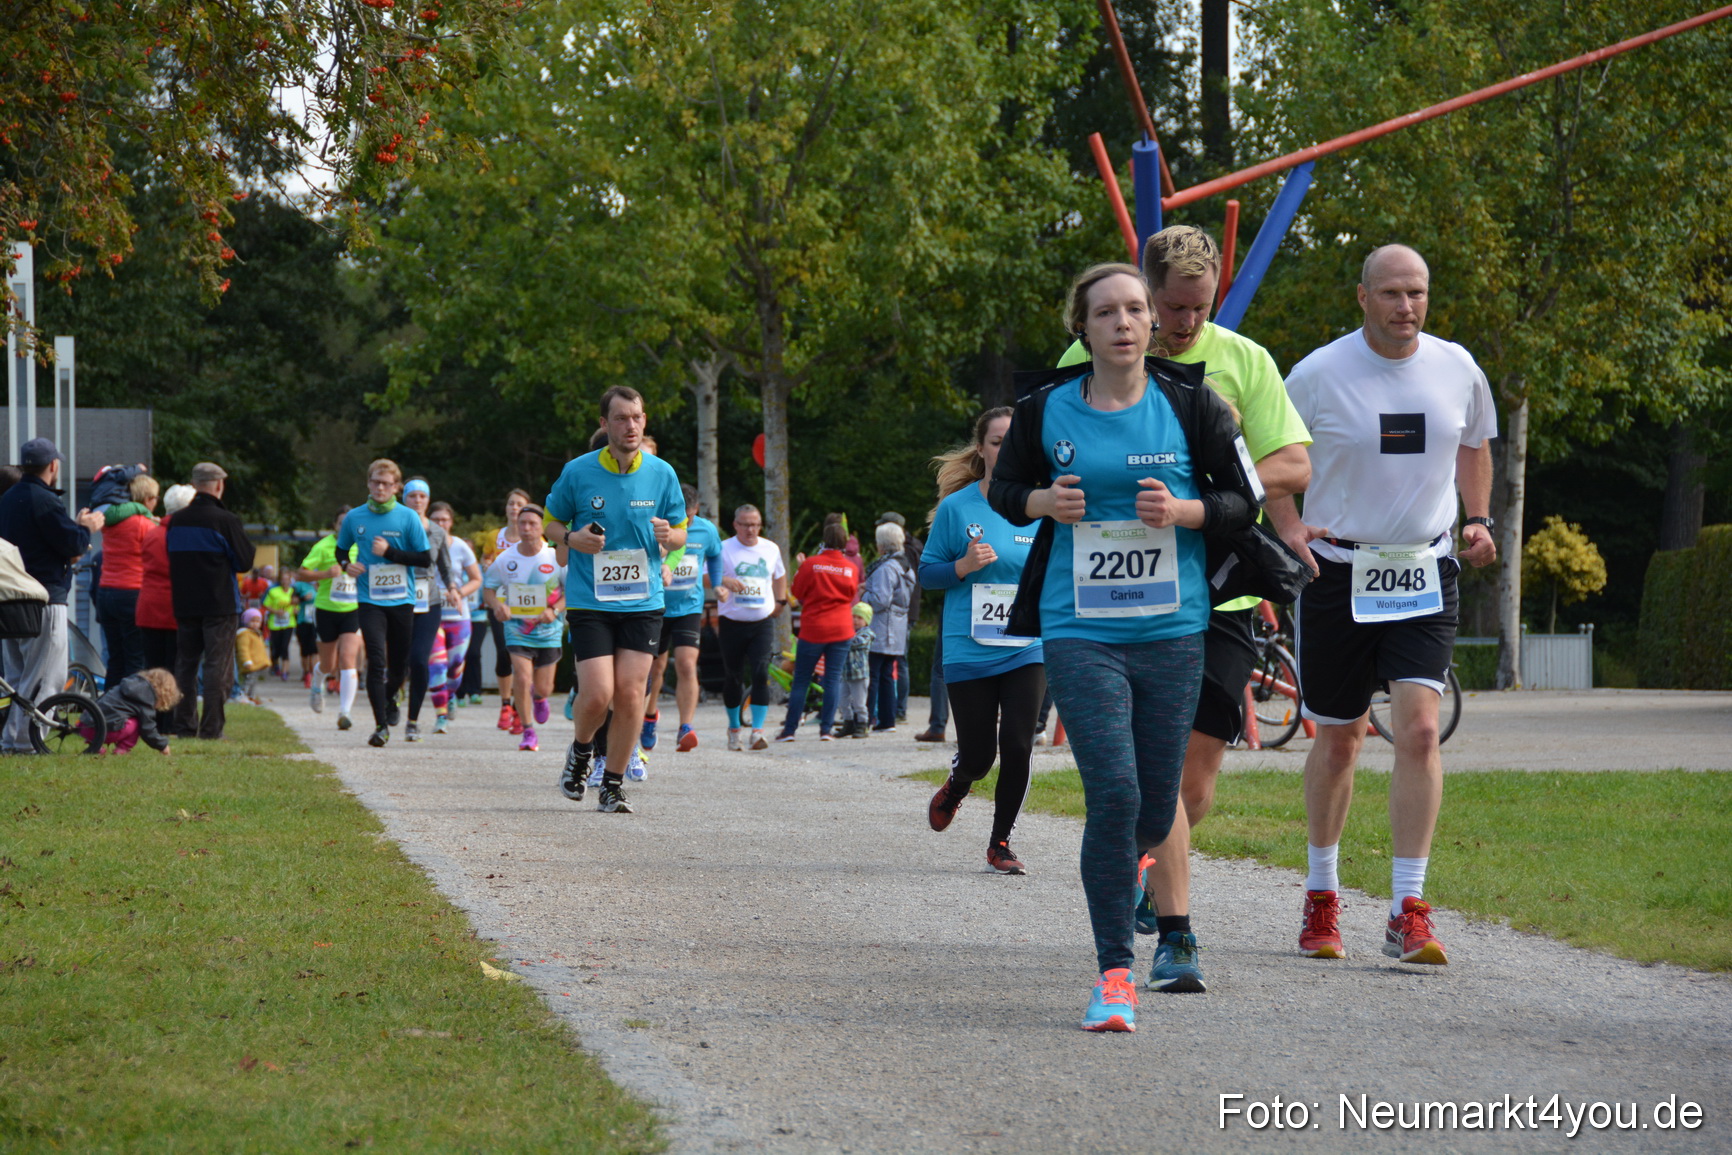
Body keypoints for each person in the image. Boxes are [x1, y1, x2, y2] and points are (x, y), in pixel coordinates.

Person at [988, 263, 1262, 1032]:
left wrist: (1185, 510)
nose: (1123, 322)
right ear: (1082, 327)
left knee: (1150, 800)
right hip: (1080, 627)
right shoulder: (1044, 409)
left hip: (1172, 631)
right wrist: (1042, 499)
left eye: (1136, 309)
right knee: (1112, 792)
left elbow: (1247, 499)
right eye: (1106, 311)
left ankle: (1129, 862)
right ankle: (1114, 974)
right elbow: (1003, 491)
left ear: (1152, 322)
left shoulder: (1193, 403)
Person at [1058, 224, 1313, 994]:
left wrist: (1207, 479)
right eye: (1173, 306)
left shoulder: (1243, 361)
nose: (1186, 322)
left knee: (1192, 786)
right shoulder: (1087, 357)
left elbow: (1293, 461)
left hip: (1221, 583)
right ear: (1146, 292)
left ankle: (1147, 862)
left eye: (1201, 307)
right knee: (1150, 776)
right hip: (1115, 593)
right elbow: (1046, 449)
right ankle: (1177, 931)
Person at [1270, 244, 1497, 967]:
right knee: (1341, 739)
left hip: (1425, 570)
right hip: (1338, 573)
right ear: (1363, 296)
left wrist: (1479, 518)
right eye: (1393, 292)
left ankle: (1408, 908)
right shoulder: (1317, 373)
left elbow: (1474, 444)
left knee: (1421, 732)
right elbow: (1269, 462)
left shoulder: (1457, 367)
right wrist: (1289, 527)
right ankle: (1321, 895)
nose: (1407, 306)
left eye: (1418, 292)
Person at [545, 386, 686, 813]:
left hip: (643, 601)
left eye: (637, 417)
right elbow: (552, 523)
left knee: (630, 694)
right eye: (622, 418)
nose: (631, 426)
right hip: (590, 601)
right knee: (597, 695)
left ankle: (612, 783)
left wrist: (670, 536)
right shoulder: (578, 471)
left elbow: (681, 532)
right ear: (604, 424)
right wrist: (572, 538)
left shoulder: (662, 473)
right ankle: (581, 751)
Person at [921, 408, 1045, 874]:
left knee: (1018, 742)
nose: (1007, 449)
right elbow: (927, 574)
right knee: (979, 755)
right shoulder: (958, 508)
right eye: (997, 441)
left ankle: (1001, 843)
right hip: (969, 647)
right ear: (982, 449)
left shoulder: (1042, 506)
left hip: (1027, 645)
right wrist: (963, 566)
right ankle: (958, 783)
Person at [0, 438, 104, 752]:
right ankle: (26, 743)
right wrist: (85, 527)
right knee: (46, 676)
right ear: (53, 465)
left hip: (9, 596)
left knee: (17, 677)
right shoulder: (44, 500)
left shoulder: (7, 498)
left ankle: (10, 738)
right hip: (44, 597)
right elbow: (71, 544)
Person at [336, 459, 432, 747]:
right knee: (376, 661)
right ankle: (380, 727)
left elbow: (424, 559)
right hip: (369, 600)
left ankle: (392, 697)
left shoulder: (408, 517)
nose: (380, 488)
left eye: (386, 484)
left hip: (402, 600)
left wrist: (390, 552)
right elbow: (341, 551)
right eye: (376, 482)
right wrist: (347, 565)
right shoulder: (354, 517)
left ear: (396, 487)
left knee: (399, 665)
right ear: (368, 483)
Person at [166, 462, 256, 741]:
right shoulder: (226, 520)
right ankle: (212, 729)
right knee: (217, 666)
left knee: (186, 665)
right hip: (220, 603)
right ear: (218, 485)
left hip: (185, 602)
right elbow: (244, 562)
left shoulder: (177, 520)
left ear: (194, 485)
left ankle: (184, 726)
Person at [482, 503, 564, 752]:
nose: (526, 528)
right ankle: (528, 731)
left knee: (544, 687)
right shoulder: (506, 559)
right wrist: (498, 605)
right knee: (522, 675)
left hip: (548, 630)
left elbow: (571, 590)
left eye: (532, 524)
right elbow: (488, 589)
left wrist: (555, 610)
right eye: (522, 523)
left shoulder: (555, 557)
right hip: (517, 628)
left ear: (542, 528)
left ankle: (540, 697)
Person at [774, 518, 858, 742]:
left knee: (801, 679)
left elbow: (797, 592)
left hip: (814, 628)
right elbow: (851, 595)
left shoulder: (811, 564)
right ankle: (826, 730)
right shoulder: (850, 568)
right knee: (832, 679)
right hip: (841, 628)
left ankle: (789, 730)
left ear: (824, 540)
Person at [713, 503, 786, 751]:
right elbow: (705, 575)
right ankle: (734, 729)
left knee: (761, 673)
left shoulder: (770, 548)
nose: (750, 530)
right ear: (735, 525)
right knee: (733, 676)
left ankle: (757, 731)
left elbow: (779, 575)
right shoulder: (724, 548)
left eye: (755, 525)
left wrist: (781, 601)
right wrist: (724, 581)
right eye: (745, 525)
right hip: (731, 622)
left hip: (761, 622)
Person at [659, 483, 723, 752]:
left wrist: (716, 585)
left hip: (689, 607)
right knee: (655, 668)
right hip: (656, 606)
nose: (684, 522)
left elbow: (716, 556)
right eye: (679, 517)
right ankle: (649, 717)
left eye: (688, 517)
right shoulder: (660, 525)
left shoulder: (706, 530)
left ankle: (685, 726)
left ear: (696, 509)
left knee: (686, 664)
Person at [401, 477, 456, 742]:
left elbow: (444, 565)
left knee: (420, 660)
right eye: (412, 496)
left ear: (428, 500)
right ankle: (394, 693)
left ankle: (412, 721)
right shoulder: (394, 526)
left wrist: (452, 588)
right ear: (404, 499)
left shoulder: (436, 531)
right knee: (398, 661)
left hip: (428, 601)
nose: (417, 500)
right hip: (396, 600)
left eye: (422, 496)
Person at [298, 506, 363, 728]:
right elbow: (301, 573)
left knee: (347, 658)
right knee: (328, 663)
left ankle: (345, 713)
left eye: (349, 523)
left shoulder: (362, 546)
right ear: (335, 526)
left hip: (352, 610)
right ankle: (317, 684)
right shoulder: (323, 546)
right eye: (341, 523)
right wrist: (325, 574)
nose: (345, 527)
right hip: (326, 610)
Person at [136, 483, 194, 733]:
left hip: (149, 606)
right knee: (176, 669)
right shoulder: (185, 536)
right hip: (175, 607)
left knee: (153, 668)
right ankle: (171, 722)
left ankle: (152, 721)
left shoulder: (151, 533)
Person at [95, 472, 160, 685]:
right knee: (135, 659)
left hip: (106, 592)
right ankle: (133, 704)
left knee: (115, 659)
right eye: (155, 498)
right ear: (147, 499)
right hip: (132, 593)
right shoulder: (145, 525)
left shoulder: (112, 522)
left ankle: (110, 704)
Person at [429, 501, 482, 734]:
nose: (440, 524)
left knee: (454, 667)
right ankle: (441, 716)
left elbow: (477, 579)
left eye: (444, 520)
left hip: (459, 617)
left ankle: (450, 694)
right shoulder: (422, 544)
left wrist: (459, 593)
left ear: (451, 522)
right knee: (437, 666)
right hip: (431, 616)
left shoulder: (460, 546)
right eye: (436, 520)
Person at [484, 488, 532, 730]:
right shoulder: (495, 536)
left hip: (527, 605)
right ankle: (505, 705)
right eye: (511, 503)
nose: (514, 508)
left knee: (523, 655)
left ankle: (519, 707)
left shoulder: (535, 536)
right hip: (500, 603)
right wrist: (487, 564)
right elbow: (485, 563)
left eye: (519, 504)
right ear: (505, 508)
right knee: (503, 651)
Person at [862, 522, 913, 733]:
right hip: (898, 626)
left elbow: (880, 600)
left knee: (872, 675)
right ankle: (887, 720)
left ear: (882, 544)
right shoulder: (904, 565)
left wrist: (864, 594)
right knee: (886, 675)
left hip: (882, 627)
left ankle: (865, 719)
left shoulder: (885, 568)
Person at [83, 667, 181, 755]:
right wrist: (162, 745)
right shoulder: (145, 698)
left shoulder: (125, 685)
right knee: (138, 722)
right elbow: (148, 729)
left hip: (85, 726)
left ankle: (96, 746)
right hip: (104, 733)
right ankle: (122, 749)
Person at [836, 601, 874, 738]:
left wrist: (842, 636)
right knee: (842, 700)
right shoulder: (849, 632)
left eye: (860, 618)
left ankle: (863, 725)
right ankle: (848, 723)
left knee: (859, 702)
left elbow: (856, 642)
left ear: (866, 621)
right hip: (845, 674)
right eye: (853, 617)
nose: (855, 620)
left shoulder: (867, 634)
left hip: (859, 674)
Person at [263, 568, 298, 679]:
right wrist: (276, 611)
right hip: (275, 623)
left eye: (287, 579)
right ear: (280, 580)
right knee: (276, 647)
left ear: (290, 580)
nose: (285, 581)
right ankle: (275, 665)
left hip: (289, 623)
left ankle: (285, 671)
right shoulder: (273, 591)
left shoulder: (293, 591)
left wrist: (296, 610)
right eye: (283, 579)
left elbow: (297, 605)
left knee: (285, 646)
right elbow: (266, 604)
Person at [235, 608, 268, 702]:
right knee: (248, 681)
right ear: (246, 621)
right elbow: (243, 649)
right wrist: (246, 661)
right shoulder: (244, 634)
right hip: (249, 664)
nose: (255, 624)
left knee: (253, 682)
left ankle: (251, 697)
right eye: (252, 621)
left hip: (256, 664)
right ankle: (243, 695)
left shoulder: (257, 634)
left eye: (258, 621)